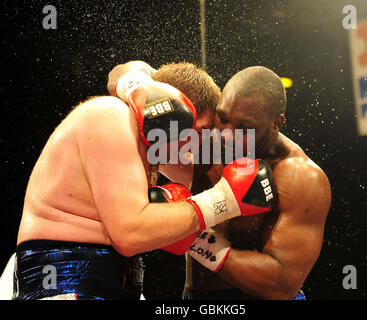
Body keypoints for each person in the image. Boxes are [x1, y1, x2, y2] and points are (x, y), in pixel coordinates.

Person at [11, 61, 276, 300]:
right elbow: (130, 233)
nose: (194, 145)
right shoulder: (110, 115)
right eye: (198, 131)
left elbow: (206, 172)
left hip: (111, 281)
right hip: (66, 278)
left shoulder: (149, 144)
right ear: (173, 109)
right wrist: (222, 201)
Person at [178, 66, 332, 300]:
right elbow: (125, 77)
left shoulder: (300, 177)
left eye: (243, 128)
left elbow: (281, 284)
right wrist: (131, 82)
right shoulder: (203, 138)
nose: (227, 135)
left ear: (276, 123)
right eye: (224, 119)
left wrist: (190, 236)